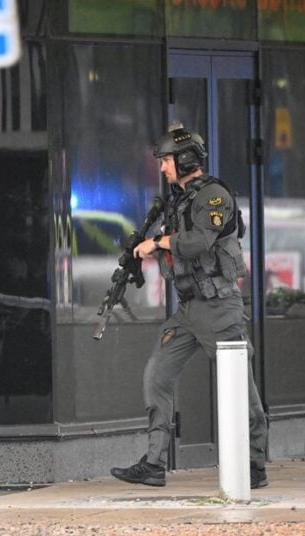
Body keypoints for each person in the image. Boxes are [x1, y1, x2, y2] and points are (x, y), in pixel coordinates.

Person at [110, 124, 269, 488]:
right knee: (157, 374)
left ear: (185, 160)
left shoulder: (213, 196)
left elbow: (198, 242)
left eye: (166, 161)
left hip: (219, 307)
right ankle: (153, 462)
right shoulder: (177, 199)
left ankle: (254, 466)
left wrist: (159, 243)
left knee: (241, 389)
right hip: (189, 310)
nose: (162, 168)